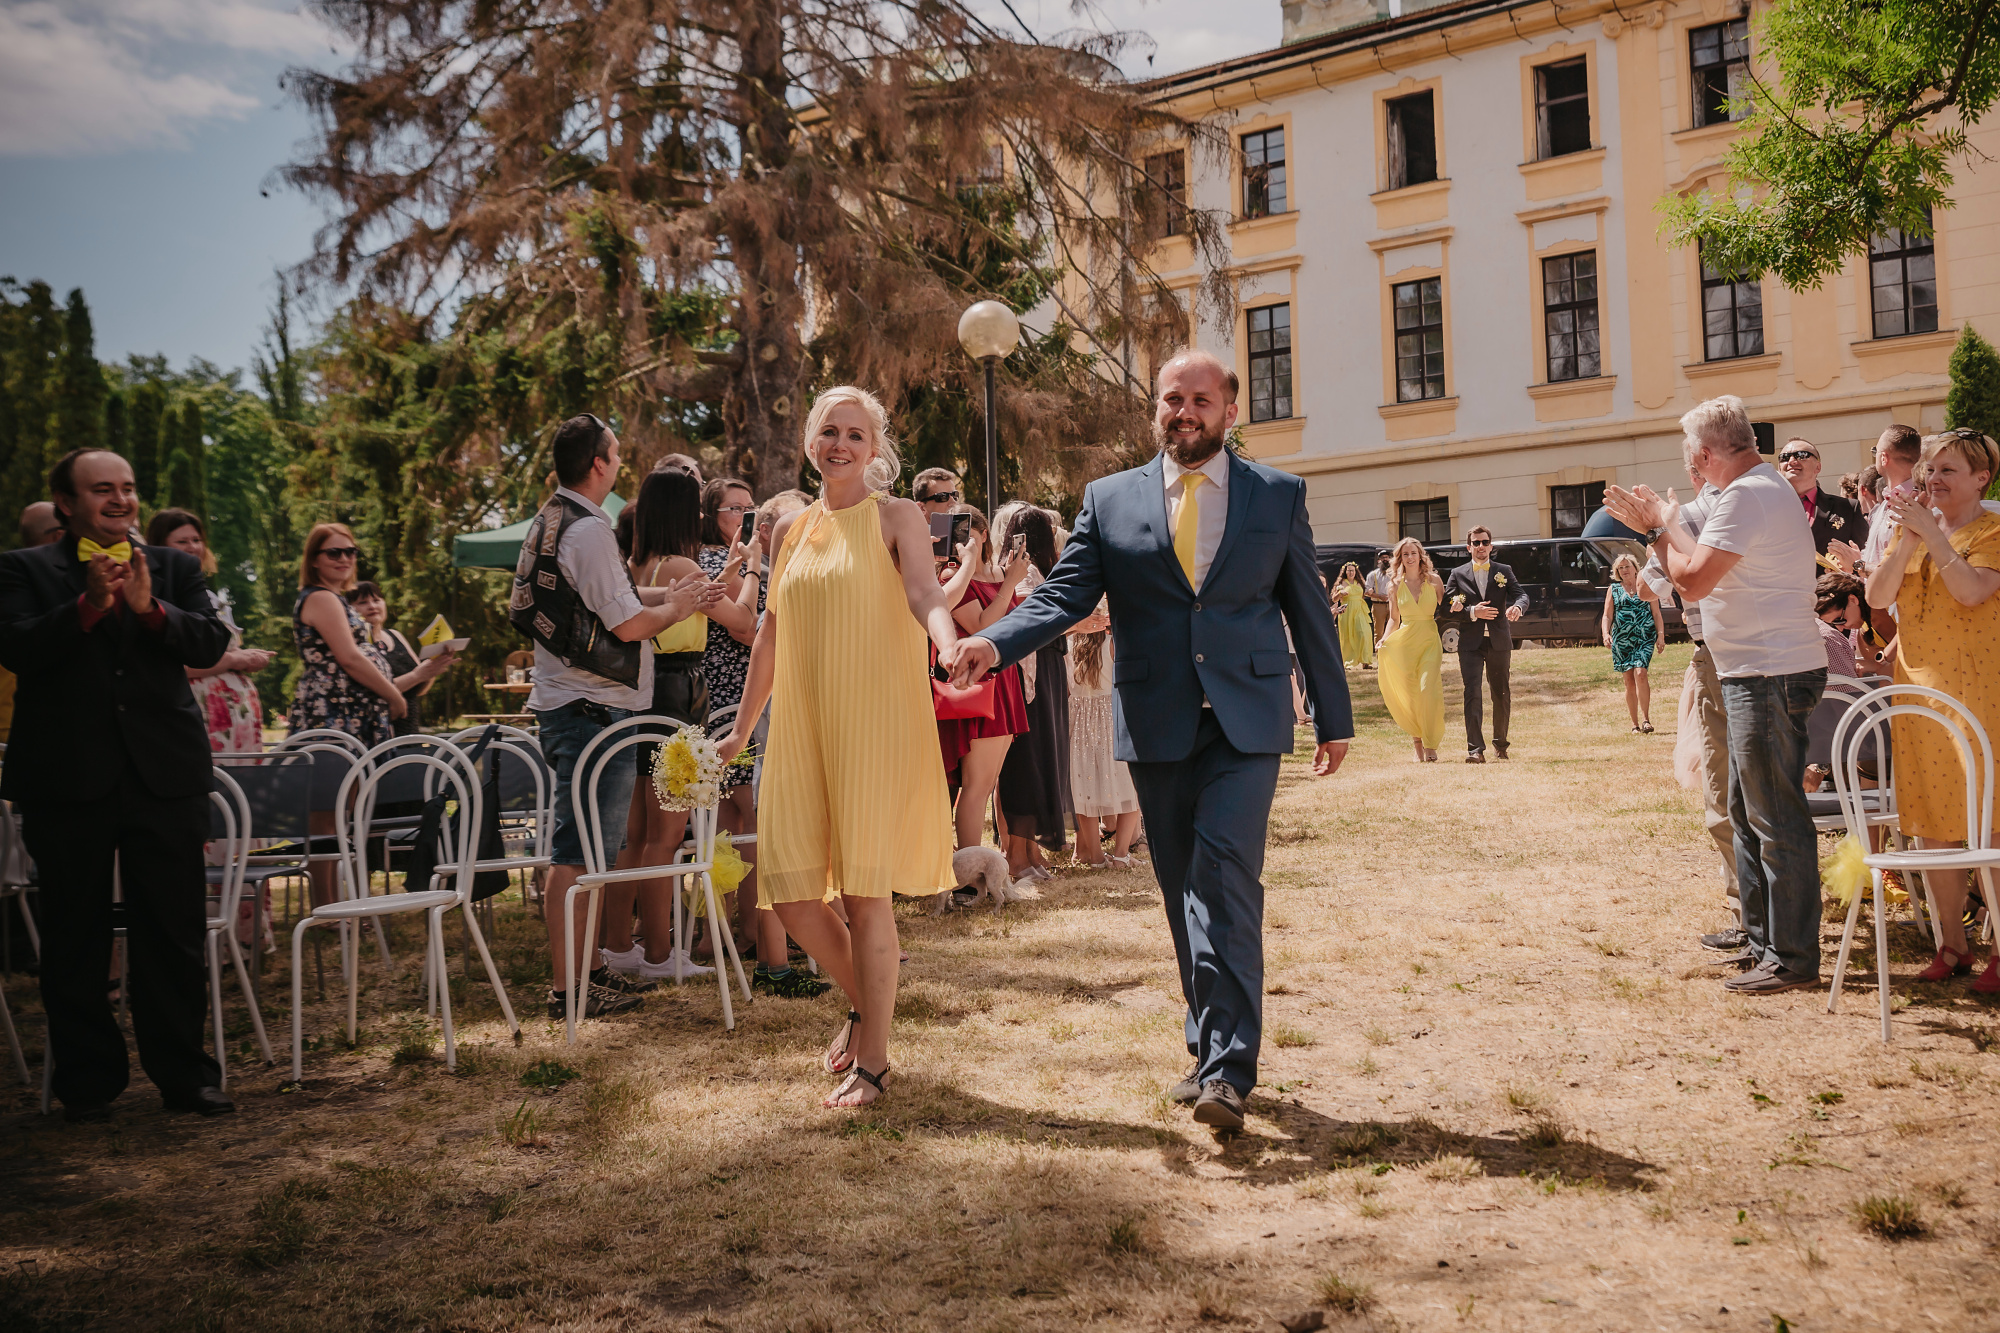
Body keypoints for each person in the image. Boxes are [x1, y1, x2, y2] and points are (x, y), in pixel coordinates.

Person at [951, 348, 1353, 1131]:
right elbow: (1065, 596)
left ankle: (1229, 1069)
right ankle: (1205, 1044)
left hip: (1246, 718)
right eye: (1173, 398)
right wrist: (994, 643)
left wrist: (1334, 716)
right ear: (1156, 409)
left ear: (1230, 410)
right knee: (1182, 887)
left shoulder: (1277, 494)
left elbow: (1306, 606)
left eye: (1201, 399)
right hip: (1157, 716)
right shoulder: (1110, 499)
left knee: (1225, 876)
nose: (1185, 411)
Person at [717, 386, 959, 1109]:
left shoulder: (898, 516)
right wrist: (740, 730)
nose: (841, 444)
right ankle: (865, 1005)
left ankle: (874, 1062)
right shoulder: (790, 530)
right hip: (802, 727)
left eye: (855, 434)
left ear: (875, 448)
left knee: (862, 893)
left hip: (873, 723)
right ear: (810, 443)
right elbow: (770, 632)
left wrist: (948, 643)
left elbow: (924, 593)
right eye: (829, 431)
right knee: (791, 893)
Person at [0, 449, 234, 1120]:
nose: (120, 499)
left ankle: (185, 1076)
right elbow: (16, 648)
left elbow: (210, 643)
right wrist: (90, 605)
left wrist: (151, 609)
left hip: (164, 775)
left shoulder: (175, 568)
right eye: (102, 489)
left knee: (173, 931)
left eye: (128, 488)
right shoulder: (22, 569)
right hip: (67, 779)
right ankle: (88, 1082)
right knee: (74, 935)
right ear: (66, 503)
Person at [1607, 394, 1826, 996]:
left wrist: (1656, 530)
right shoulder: (1756, 490)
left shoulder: (1749, 495)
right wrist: (1665, 524)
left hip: (1769, 672)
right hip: (1751, 671)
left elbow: (1693, 580)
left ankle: (1792, 957)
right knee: (1746, 812)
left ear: (1705, 454)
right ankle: (1762, 941)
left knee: (1773, 816)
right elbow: (1693, 560)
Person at [512, 413, 722, 1021]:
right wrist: (676, 607)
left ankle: (591, 970)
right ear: (599, 464)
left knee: (595, 849)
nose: (621, 464)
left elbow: (615, 602)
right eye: (617, 454)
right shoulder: (588, 531)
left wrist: (673, 597)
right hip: (588, 708)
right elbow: (628, 625)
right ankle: (568, 991)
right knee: (577, 855)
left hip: (577, 704)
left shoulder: (556, 519)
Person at [1863, 428, 2000, 991]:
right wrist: (1909, 540)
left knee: (1989, 823)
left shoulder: (1993, 530)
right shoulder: (1912, 529)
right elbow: (1876, 597)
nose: (1934, 479)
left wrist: (1933, 538)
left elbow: (1971, 592)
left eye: (1949, 470)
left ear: (1981, 479)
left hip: (1980, 693)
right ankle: (1953, 945)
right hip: (1917, 694)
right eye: (1931, 469)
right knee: (1932, 824)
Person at [693, 477, 821, 997]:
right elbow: (752, 629)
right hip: (749, 706)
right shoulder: (748, 569)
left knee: (751, 832)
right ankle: (765, 952)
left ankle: (755, 943)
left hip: (767, 706)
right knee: (759, 830)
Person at [602, 466, 720, 982]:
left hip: (643, 692)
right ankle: (658, 953)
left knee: (635, 837)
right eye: (696, 506)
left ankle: (618, 944)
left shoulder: (634, 564)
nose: (701, 515)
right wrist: (750, 571)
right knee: (665, 836)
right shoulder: (680, 565)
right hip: (679, 694)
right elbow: (740, 618)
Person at [1641, 463, 1742, 949]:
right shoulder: (1773, 500)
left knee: (1724, 789)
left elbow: (1649, 589)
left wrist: (1659, 537)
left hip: (1719, 658)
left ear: (1695, 468)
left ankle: (1750, 916)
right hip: (1779, 653)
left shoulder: (1692, 516)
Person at [936, 505, 1031, 854]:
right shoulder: (951, 576)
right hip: (979, 685)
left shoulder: (997, 574)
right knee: (975, 787)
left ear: (985, 535)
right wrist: (1010, 584)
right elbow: (981, 628)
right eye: (956, 538)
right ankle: (969, 872)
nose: (963, 546)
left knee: (988, 783)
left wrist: (1009, 580)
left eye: (970, 537)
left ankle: (974, 867)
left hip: (1004, 681)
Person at [992, 505, 1073, 876]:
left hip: (1047, 669)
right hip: (1029, 674)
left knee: (1041, 760)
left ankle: (1031, 852)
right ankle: (1016, 856)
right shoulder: (1022, 571)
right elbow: (1023, 613)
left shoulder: (1039, 570)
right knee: (1024, 763)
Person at [292, 524, 407, 747]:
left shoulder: (334, 597)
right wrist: (394, 696)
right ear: (313, 560)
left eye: (350, 552)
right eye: (333, 553)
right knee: (341, 769)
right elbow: (350, 658)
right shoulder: (321, 598)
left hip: (352, 707)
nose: (344, 559)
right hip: (337, 708)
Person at [1443, 525, 1528, 761]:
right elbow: (1446, 608)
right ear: (1468, 547)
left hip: (1498, 641)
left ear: (1491, 546)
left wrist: (1517, 607)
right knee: (1472, 693)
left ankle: (1501, 744)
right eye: (1476, 543)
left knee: (1501, 693)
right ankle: (1475, 750)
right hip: (1470, 644)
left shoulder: (1504, 571)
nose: (1481, 547)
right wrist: (1472, 611)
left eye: (1485, 542)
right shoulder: (1457, 574)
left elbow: (1521, 594)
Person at [1067, 601, 1139, 867]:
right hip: (1112, 718)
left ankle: (1096, 857)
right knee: (1131, 787)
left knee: (1084, 790)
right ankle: (1121, 854)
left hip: (1079, 722)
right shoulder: (1113, 644)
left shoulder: (1069, 644)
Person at [344, 580, 456, 737]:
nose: (372, 606)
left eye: (376, 600)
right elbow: (372, 691)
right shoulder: (354, 644)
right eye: (363, 602)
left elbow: (418, 689)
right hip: (378, 731)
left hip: (409, 729)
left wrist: (433, 666)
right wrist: (417, 675)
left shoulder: (395, 635)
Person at [1377, 536, 1446, 763]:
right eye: (1405, 554)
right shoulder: (1395, 585)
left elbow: (1447, 608)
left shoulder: (1434, 581)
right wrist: (1384, 639)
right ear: (1400, 558)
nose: (1409, 557)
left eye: (1413, 553)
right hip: (1405, 643)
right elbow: (1393, 619)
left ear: (1420, 555)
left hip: (1429, 641)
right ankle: (1418, 745)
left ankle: (1431, 744)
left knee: (1427, 690)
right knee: (1411, 694)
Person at [1600, 552, 1664, 733]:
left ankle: (1646, 720)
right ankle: (1635, 724)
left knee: (1641, 673)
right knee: (1629, 681)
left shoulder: (1646, 585)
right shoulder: (1614, 589)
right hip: (1622, 640)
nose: (1624, 570)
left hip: (1644, 637)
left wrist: (1660, 635)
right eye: (1620, 568)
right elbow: (1607, 615)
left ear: (1636, 568)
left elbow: (1656, 613)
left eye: (1627, 566)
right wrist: (1605, 633)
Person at [1776, 437, 1863, 564]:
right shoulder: (1766, 507)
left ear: (1818, 467)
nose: (1792, 461)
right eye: (1784, 457)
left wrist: (1853, 566)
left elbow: (1865, 556)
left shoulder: (1848, 508)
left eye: (1801, 455)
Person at [1812, 571, 1865, 678]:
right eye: (1833, 624)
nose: (1840, 629)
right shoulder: (1862, 628)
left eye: (1839, 619)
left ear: (1852, 600)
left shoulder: (1881, 613)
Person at [1331, 561, 1373, 669]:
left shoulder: (1360, 582)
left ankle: (1365, 660)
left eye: (1353, 570)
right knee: (1347, 636)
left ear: (1356, 571)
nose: (1351, 572)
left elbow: (1365, 594)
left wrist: (1369, 592)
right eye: (1349, 570)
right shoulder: (1341, 583)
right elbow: (1334, 599)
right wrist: (1340, 593)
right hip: (1346, 611)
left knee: (1364, 632)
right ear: (1345, 571)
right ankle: (1348, 661)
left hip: (1360, 610)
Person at [1363, 550, 1394, 647]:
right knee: (1379, 632)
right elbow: (1366, 592)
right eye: (1383, 558)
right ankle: (1379, 653)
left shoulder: (1395, 573)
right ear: (1379, 560)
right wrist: (1379, 596)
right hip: (1378, 605)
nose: (1385, 559)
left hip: (1393, 605)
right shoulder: (1373, 574)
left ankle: (1393, 651)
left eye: (1387, 557)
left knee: (1394, 631)